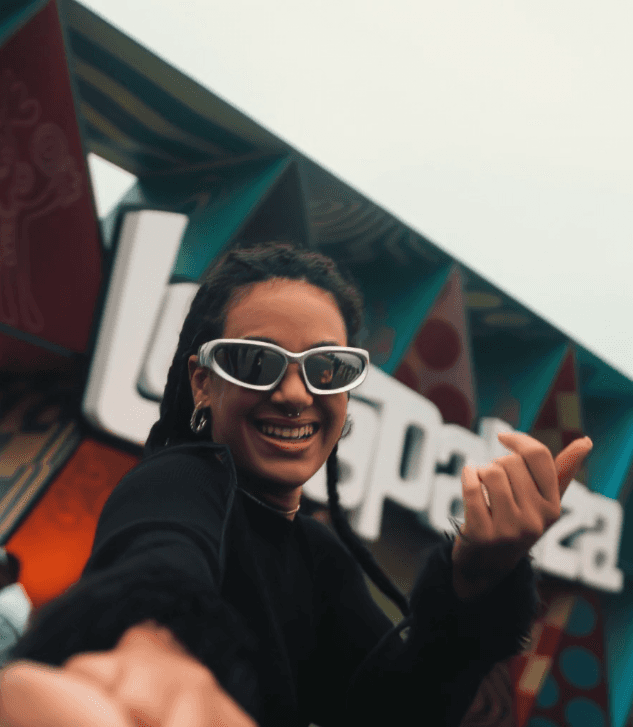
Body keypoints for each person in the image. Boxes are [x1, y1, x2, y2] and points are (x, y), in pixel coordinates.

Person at [0, 243, 592, 727]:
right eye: (255, 362)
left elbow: (395, 710)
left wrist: (477, 577)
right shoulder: (179, 480)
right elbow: (159, 558)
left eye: (326, 369)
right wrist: (153, 648)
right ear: (203, 383)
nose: (293, 394)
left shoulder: (318, 555)